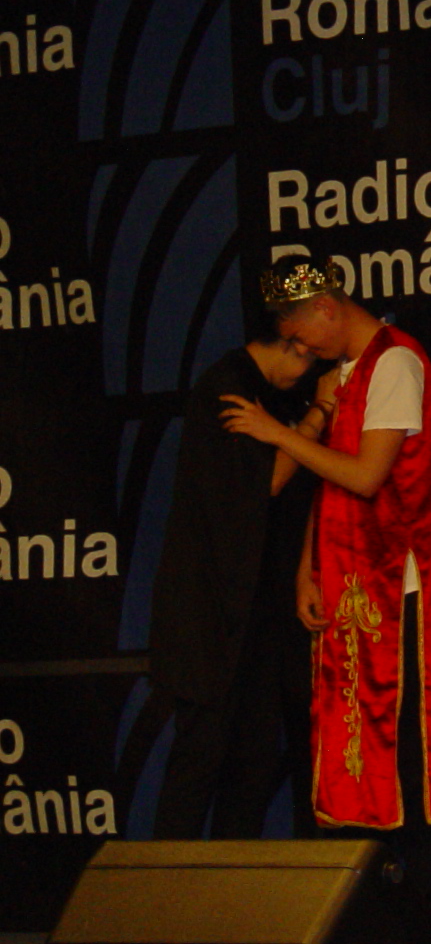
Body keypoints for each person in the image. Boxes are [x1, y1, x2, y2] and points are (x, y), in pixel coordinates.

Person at [220, 266, 431, 916]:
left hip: (401, 583)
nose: (303, 349)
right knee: (357, 738)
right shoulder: (351, 374)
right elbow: (333, 488)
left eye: (302, 333)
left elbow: (365, 475)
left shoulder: (395, 365)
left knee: (410, 742)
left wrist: (278, 433)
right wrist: (308, 564)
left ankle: (419, 899)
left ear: (328, 308)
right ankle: (369, 895)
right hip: (353, 579)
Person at [148, 318, 328, 839]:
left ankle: (233, 891)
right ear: (293, 345)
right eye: (309, 360)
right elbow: (266, 481)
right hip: (209, 611)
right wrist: (317, 415)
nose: (309, 373)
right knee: (200, 755)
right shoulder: (229, 389)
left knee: (252, 758)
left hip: (255, 610)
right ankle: (165, 897)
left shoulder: (271, 396)